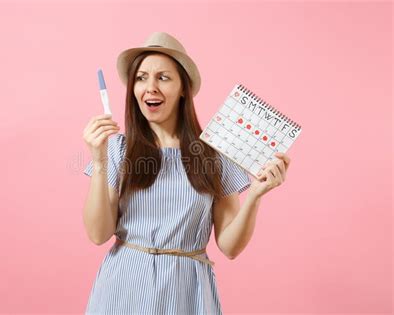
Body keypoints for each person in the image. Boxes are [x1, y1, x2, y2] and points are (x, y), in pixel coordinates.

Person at [82, 32, 291, 314]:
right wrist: (99, 160)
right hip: (123, 287)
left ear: (183, 88)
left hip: (187, 292)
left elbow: (229, 247)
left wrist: (255, 194)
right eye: (141, 78)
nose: (150, 87)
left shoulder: (215, 155)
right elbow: (98, 234)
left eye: (163, 78)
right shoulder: (117, 149)